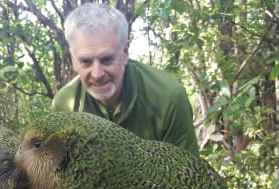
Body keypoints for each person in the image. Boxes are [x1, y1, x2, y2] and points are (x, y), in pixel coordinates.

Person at [52, 3, 199, 155]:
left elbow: (186, 172)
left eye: (107, 59)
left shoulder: (169, 99)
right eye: (86, 61)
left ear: (125, 52)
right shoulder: (64, 105)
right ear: (73, 61)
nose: (97, 74)